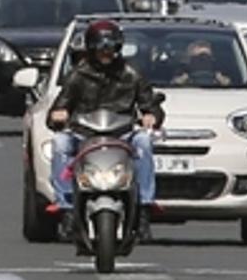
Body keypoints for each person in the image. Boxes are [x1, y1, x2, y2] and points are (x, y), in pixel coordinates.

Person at [47, 20, 164, 238]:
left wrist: (151, 116)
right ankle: (66, 207)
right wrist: (58, 115)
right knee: (60, 143)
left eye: (111, 47)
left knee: (144, 142)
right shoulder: (77, 76)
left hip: (122, 133)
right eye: (100, 47)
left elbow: (151, 104)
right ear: (90, 48)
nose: (105, 53)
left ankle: (144, 207)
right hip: (84, 134)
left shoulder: (132, 74)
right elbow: (58, 108)